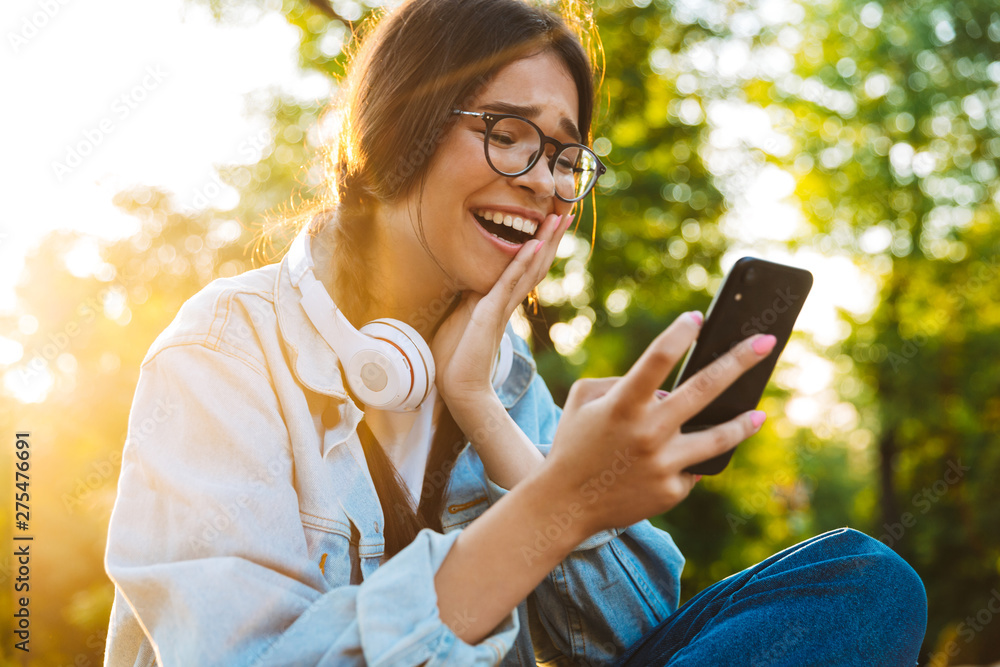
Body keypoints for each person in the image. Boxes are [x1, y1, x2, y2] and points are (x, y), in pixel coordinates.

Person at [102, 0, 928, 664]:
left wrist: (485, 414)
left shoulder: (501, 373)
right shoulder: (223, 350)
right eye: (507, 133)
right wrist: (561, 502)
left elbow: (618, 641)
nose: (544, 183)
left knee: (865, 579)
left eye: (567, 157)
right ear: (403, 127)